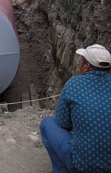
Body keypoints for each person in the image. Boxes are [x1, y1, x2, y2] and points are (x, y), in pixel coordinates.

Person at [40, 44, 111, 172]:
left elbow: (62, 123)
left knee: (47, 123)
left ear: (86, 67)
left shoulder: (74, 84)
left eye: (81, 61)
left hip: (83, 166)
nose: (79, 65)